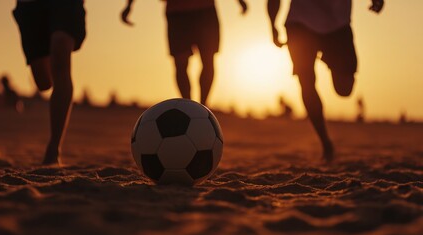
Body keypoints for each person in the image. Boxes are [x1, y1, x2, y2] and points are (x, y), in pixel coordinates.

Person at [267, 0, 384, 161]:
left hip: (337, 24)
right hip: (299, 23)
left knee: (344, 89)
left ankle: (326, 58)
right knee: (306, 82)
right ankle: (326, 143)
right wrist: (272, 24)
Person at [121, 0, 248, 106]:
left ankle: (203, 107)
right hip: (177, 13)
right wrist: (129, 5)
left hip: (205, 10)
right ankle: (188, 106)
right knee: (181, 63)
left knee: (208, 60)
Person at [12, 0, 86, 165]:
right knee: (43, 82)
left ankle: (54, 148)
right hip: (30, 5)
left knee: (60, 54)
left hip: (65, 4)